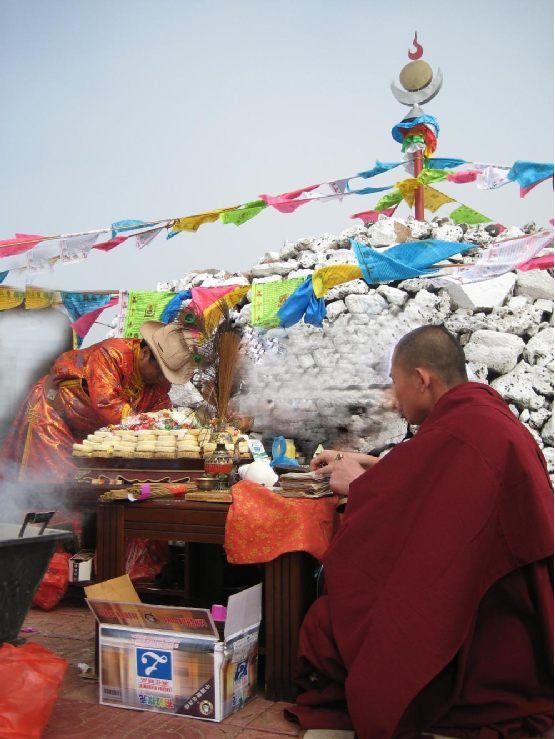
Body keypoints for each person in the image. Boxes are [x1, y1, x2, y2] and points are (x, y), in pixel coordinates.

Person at [287, 326, 554, 739]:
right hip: (507, 600)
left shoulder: (460, 429)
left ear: (422, 379)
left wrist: (358, 487)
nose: (395, 398)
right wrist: (368, 464)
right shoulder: (482, 415)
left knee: (328, 623)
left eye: (395, 383)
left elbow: (419, 509)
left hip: (487, 616)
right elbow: (433, 482)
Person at [0, 321, 197, 483]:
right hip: (51, 413)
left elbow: (160, 415)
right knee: (55, 485)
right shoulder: (112, 354)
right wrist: (146, 424)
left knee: (89, 484)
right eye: (161, 371)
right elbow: (107, 402)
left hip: (85, 434)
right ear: (145, 354)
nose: (163, 379)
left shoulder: (158, 384)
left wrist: (169, 426)